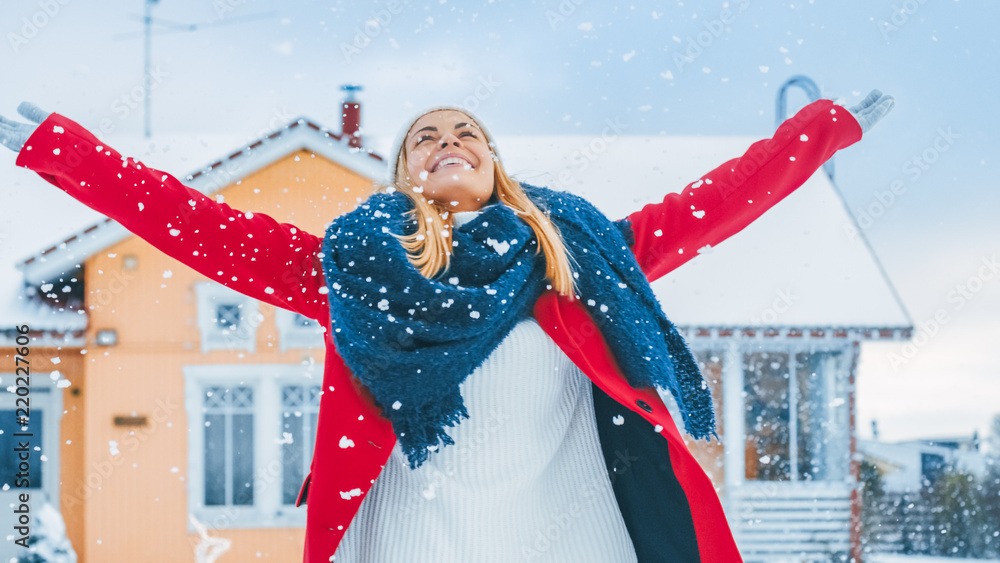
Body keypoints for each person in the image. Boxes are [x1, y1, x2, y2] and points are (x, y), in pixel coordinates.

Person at [0, 89, 894, 562]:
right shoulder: (353, 268)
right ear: (401, 173)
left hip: (575, 540)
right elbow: (199, 227)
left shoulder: (571, 258)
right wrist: (62, 151)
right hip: (412, 541)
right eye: (425, 135)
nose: (448, 140)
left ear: (495, 163)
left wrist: (824, 129)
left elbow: (715, 206)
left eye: (466, 130)